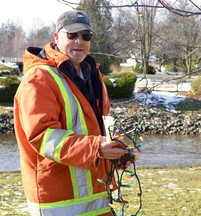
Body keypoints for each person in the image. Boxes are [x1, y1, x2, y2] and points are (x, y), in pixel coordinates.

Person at [14, 10, 128, 216]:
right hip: (58, 201)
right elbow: (42, 136)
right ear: (56, 37)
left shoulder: (93, 75)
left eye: (86, 36)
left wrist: (115, 152)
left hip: (97, 196)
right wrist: (96, 148)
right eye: (72, 34)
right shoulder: (39, 78)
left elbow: (100, 128)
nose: (79, 41)